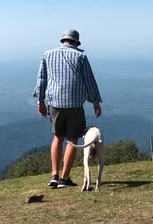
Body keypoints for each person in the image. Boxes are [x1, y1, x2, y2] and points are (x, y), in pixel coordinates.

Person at [33, 29, 102, 188]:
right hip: (75, 104)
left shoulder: (48, 55)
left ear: (63, 40)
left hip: (55, 103)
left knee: (57, 137)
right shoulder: (80, 56)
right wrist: (95, 102)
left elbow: (41, 79)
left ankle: (54, 175)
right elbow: (89, 82)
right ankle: (65, 178)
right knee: (72, 139)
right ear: (76, 42)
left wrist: (40, 102)